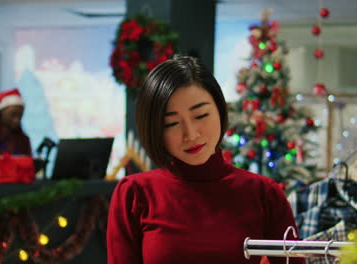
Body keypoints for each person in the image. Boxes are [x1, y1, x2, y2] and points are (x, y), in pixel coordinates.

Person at [107, 56, 305, 264]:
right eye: (172, 123)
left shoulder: (264, 194)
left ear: (220, 110)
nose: (191, 135)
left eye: (201, 115)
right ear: (155, 130)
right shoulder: (135, 193)